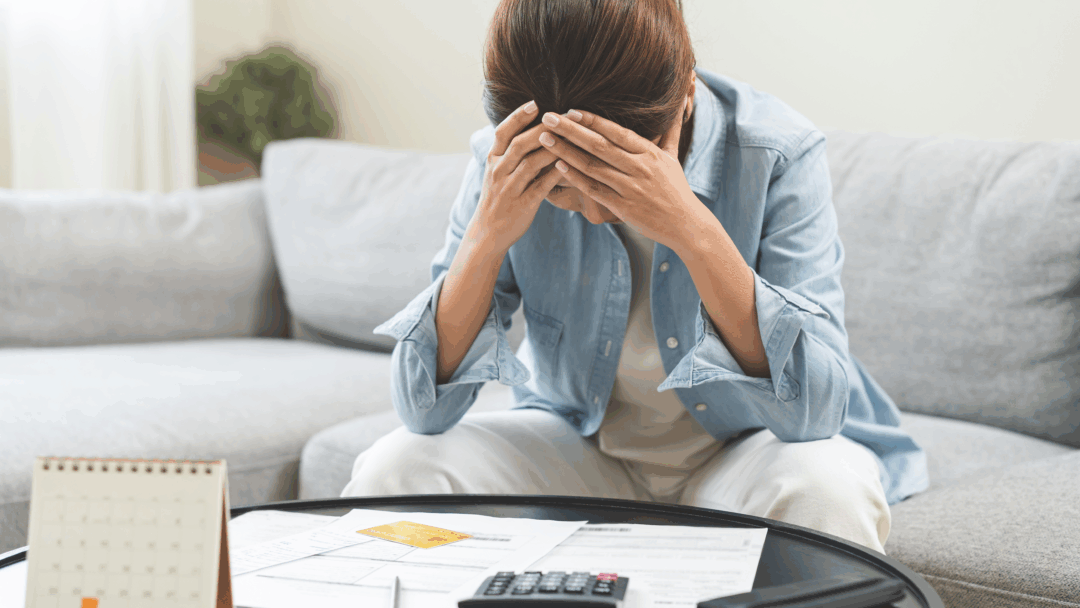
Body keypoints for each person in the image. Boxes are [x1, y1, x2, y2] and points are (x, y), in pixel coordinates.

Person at [341, 0, 928, 555]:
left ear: (686, 96)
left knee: (824, 490)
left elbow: (812, 415)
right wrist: (487, 235)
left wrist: (689, 226)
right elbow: (424, 412)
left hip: (744, 451)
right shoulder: (503, 162)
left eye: (611, 180)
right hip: (579, 445)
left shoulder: (776, 152)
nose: (595, 212)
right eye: (565, 189)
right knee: (396, 469)